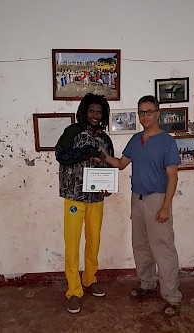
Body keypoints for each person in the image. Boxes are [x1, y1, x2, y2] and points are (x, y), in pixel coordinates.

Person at [97, 95, 182, 317]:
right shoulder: (136, 140)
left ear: (158, 113)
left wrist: (165, 207)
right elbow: (121, 164)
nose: (145, 116)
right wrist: (104, 156)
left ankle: (172, 297)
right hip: (137, 199)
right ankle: (147, 284)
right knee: (141, 246)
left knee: (163, 250)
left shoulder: (167, 141)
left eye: (149, 112)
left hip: (157, 200)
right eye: (141, 112)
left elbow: (172, 178)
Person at [55, 93, 114, 314]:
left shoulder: (106, 139)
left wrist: (108, 185)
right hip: (73, 197)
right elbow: (61, 156)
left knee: (94, 242)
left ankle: (90, 279)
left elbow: (109, 164)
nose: (96, 115)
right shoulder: (72, 132)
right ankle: (74, 291)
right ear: (84, 112)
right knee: (72, 245)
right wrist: (85, 152)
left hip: (96, 199)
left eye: (99, 112)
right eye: (92, 111)